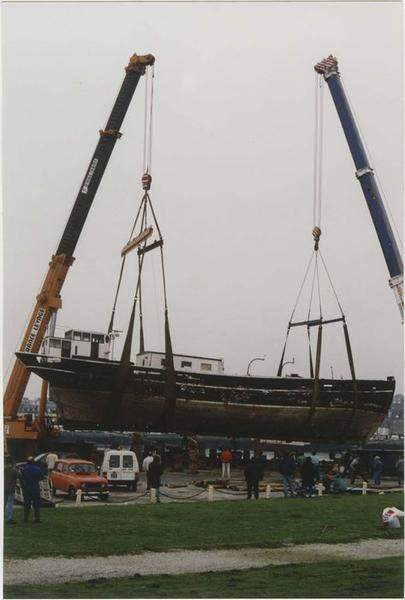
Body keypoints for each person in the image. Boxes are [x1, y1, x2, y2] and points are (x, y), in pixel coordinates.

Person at [20, 456, 44, 523]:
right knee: (36, 504)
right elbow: (41, 477)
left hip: (27, 488)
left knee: (27, 504)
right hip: (35, 488)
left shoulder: (24, 469)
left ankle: (25, 519)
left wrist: (23, 487)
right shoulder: (37, 469)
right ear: (34, 461)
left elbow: (21, 479)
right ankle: (37, 519)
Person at [4, 455, 19, 525]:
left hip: (3, 488)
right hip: (10, 489)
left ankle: (4, 516)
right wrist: (15, 467)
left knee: (4, 503)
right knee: (9, 504)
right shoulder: (13, 470)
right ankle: (9, 518)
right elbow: (19, 475)